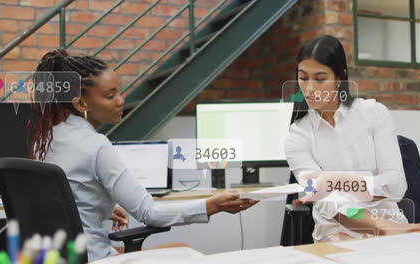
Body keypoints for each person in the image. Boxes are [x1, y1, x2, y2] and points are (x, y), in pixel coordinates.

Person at [27, 49, 258, 261]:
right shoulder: (95, 145)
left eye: (119, 92)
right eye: (110, 96)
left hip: (60, 258)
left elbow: (66, 201)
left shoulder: (45, 140)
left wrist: (102, 208)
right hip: (95, 258)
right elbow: (150, 213)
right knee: (184, 251)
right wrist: (212, 205)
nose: (121, 101)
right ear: (81, 103)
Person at [285, 35, 420, 243]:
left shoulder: (374, 113)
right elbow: (329, 202)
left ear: (339, 78)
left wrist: (340, 182)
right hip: (337, 230)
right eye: (303, 78)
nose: (310, 88)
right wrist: (380, 225)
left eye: (320, 79)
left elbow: (395, 186)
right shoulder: (298, 135)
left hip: (394, 223)